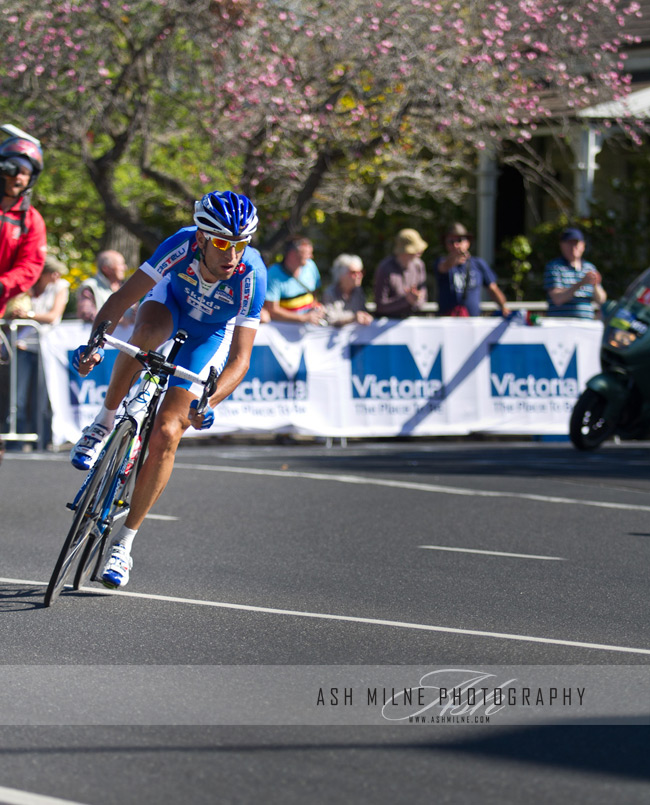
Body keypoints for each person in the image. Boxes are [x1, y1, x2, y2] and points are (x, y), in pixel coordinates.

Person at [70, 190, 267, 589]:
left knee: (168, 432)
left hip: (208, 336)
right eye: (223, 244)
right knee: (143, 335)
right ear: (201, 240)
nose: (232, 256)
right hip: (168, 307)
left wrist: (208, 400)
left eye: (241, 245)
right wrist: (94, 344)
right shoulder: (178, 245)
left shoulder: (253, 276)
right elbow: (122, 299)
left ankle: (125, 544)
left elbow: (240, 361)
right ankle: (105, 422)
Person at [5, 254, 70, 448]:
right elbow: (10, 314)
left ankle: (41, 441)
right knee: (19, 397)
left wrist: (29, 315)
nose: (57, 275)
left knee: (44, 397)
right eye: (53, 272)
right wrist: (15, 314)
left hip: (47, 348)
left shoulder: (60, 287)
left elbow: (53, 316)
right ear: (43, 274)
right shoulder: (26, 287)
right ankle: (16, 443)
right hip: (23, 346)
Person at [0, 132, 47, 317]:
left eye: (25, 173)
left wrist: (3, 285)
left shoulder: (31, 220)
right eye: (13, 170)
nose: (18, 177)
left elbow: (30, 266)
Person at [433, 223, 510, 317]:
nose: (456, 245)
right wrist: (455, 257)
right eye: (451, 241)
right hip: (447, 322)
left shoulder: (478, 263)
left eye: (459, 240)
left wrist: (503, 307)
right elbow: (444, 267)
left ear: (468, 242)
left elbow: (492, 288)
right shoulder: (441, 262)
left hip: (472, 321)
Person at [544, 227, 607, 318]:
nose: (573, 247)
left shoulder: (590, 268)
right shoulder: (554, 267)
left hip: (585, 325)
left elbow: (601, 300)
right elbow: (557, 298)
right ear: (562, 245)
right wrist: (581, 283)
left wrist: (595, 284)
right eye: (569, 243)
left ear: (583, 246)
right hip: (561, 325)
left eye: (576, 243)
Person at [263, 235, 326, 325]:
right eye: (307, 254)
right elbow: (272, 310)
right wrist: (303, 318)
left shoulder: (310, 265)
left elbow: (314, 294)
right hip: (284, 327)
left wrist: (317, 308)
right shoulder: (273, 274)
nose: (311, 257)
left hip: (309, 325)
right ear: (292, 254)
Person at [373, 228, 428, 318]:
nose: (420, 252)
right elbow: (380, 306)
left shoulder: (419, 265)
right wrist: (406, 300)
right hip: (388, 324)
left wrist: (417, 299)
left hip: (411, 322)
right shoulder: (385, 268)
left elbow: (423, 298)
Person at [76, 249, 134, 325]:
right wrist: (116, 320)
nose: (124, 268)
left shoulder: (127, 287)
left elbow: (135, 312)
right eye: (120, 264)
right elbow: (86, 313)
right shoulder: (91, 286)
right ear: (106, 269)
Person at [322, 254, 373, 326]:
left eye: (361, 272)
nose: (359, 276)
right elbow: (330, 320)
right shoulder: (329, 293)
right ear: (341, 275)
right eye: (353, 273)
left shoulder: (359, 291)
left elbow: (362, 312)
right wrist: (353, 319)